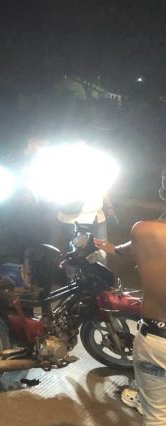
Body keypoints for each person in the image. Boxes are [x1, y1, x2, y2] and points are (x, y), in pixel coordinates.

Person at [95, 168, 166, 425]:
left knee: (158, 416)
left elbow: (132, 245)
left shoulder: (143, 231)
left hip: (159, 339)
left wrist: (112, 248)